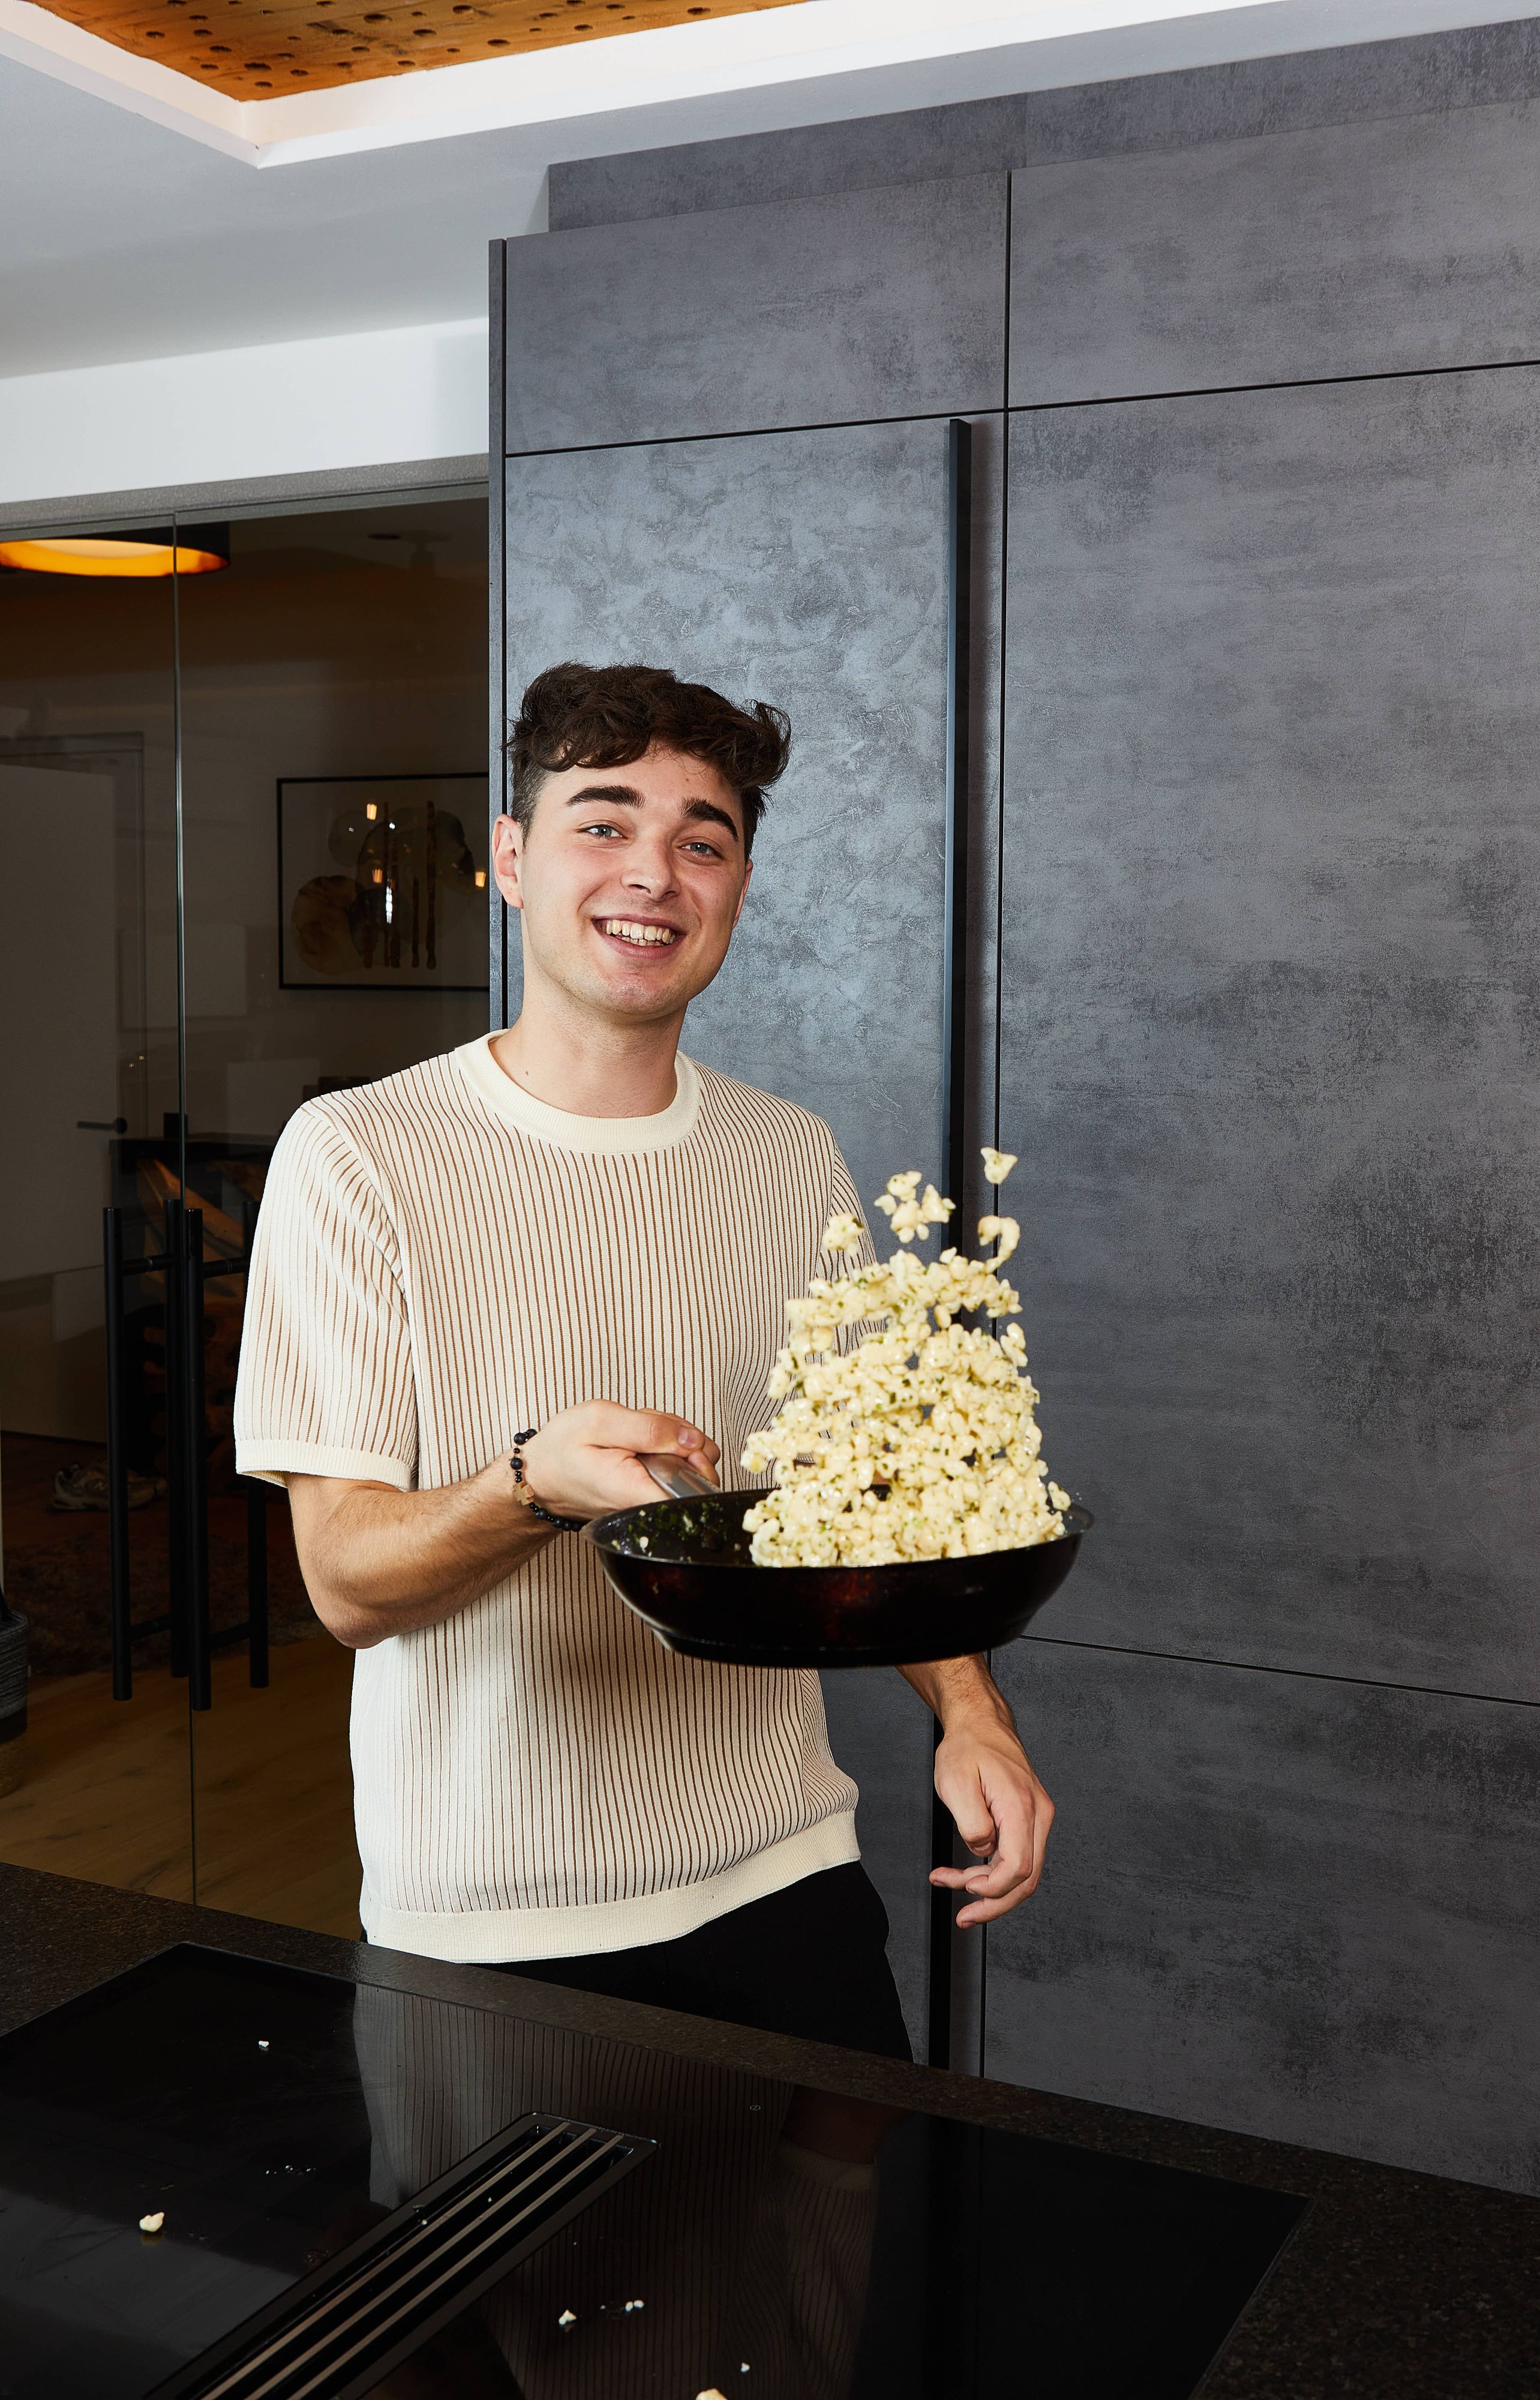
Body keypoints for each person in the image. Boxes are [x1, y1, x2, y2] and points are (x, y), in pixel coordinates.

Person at [235, 660, 1055, 2060]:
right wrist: (529, 1485)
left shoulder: (789, 1154)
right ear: (509, 857)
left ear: (735, 884)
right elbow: (344, 1584)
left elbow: (869, 1507)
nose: (652, 874)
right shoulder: (359, 1155)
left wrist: (970, 1712)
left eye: (701, 838)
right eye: (601, 823)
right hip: (492, 1933)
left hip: (787, 1871)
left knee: (837, 2285)